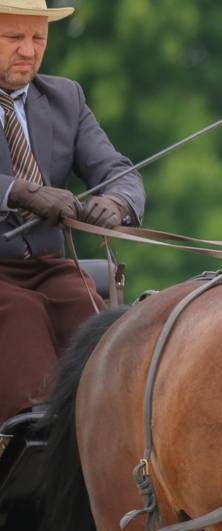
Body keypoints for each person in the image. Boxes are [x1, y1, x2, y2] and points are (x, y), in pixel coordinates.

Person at [0, 0, 145, 422]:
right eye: (13, 37)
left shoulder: (66, 97)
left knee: (86, 308)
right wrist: (20, 192)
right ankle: (33, 432)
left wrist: (116, 202)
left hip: (49, 266)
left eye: (38, 38)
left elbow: (118, 171)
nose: (29, 50)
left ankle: (117, 422)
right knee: (20, 311)